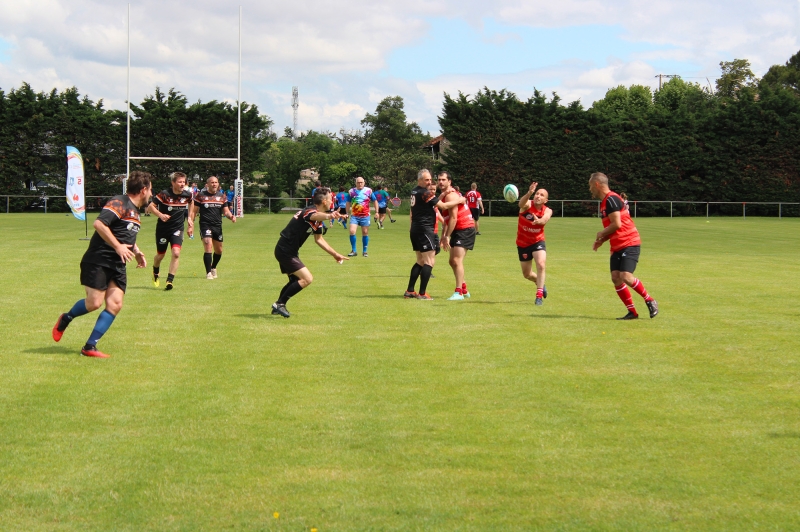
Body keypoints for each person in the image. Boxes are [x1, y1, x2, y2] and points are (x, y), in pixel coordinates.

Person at [52, 171, 153, 358]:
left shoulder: (135, 212)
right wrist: (117, 247)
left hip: (118, 263)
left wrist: (137, 251)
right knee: (94, 303)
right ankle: (66, 318)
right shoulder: (119, 202)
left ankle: (89, 347)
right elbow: (99, 224)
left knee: (115, 304)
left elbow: (125, 234)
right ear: (143, 189)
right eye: (151, 190)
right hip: (99, 259)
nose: (151, 195)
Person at [589, 172, 658, 320]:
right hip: (617, 245)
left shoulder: (611, 199)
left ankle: (650, 300)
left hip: (629, 242)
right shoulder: (605, 202)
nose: (590, 190)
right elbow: (613, 227)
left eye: (590, 186)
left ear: (597, 184)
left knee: (625, 276)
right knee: (616, 277)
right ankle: (632, 312)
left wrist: (600, 233)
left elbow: (617, 224)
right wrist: (603, 239)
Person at [272, 187, 349, 318]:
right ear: (324, 201)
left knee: (295, 280)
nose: (332, 202)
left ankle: (278, 306)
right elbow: (313, 215)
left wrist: (335, 254)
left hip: (289, 251)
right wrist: (329, 215)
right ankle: (279, 304)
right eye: (330, 199)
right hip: (285, 250)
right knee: (307, 279)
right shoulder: (310, 211)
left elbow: (319, 239)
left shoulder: (318, 219)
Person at [405, 169, 466, 300]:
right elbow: (443, 206)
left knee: (420, 261)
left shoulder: (415, 191)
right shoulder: (425, 192)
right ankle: (422, 294)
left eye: (430, 180)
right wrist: (459, 200)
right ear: (419, 180)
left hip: (415, 230)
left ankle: (410, 290)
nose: (430, 182)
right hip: (424, 230)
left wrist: (443, 193)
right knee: (429, 261)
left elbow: (432, 202)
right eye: (426, 180)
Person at [148, 171, 194, 290]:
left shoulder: (187, 195)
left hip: (177, 229)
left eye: (183, 182)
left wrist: (189, 218)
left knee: (176, 253)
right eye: (179, 182)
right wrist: (160, 215)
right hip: (163, 229)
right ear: (173, 183)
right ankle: (155, 272)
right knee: (160, 255)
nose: (182, 184)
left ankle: (170, 280)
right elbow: (150, 207)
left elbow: (191, 203)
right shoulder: (164, 194)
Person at [437, 171, 477, 301]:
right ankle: (464, 289)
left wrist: (447, 236)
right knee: (452, 261)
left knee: (457, 260)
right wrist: (444, 235)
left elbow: (454, 218)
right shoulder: (444, 196)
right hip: (457, 229)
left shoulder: (451, 196)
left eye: (443, 180)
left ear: (449, 181)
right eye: (439, 180)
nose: (441, 182)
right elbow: (447, 219)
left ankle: (458, 292)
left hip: (465, 228)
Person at [189, 175, 236, 279]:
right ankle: (208, 272)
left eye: (216, 182)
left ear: (218, 184)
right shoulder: (200, 196)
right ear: (207, 184)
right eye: (212, 182)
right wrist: (190, 225)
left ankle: (213, 267)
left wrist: (231, 216)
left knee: (219, 250)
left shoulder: (222, 196)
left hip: (217, 226)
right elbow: (194, 211)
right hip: (205, 225)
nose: (214, 184)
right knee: (208, 245)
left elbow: (226, 211)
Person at [517, 182, 552, 305]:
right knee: (527, 274)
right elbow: (520, 204)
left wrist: (539, 221)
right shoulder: (527, 205)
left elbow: (545, 218)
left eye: (541, 195)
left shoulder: (547, 210)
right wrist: (529, 193)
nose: (538, 196)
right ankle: (540, 283)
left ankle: (538, 296)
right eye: (537, 193)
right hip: (523, 243)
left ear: (545, 200)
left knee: (541, 264)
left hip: (538, 241)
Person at [346, 176, 378, 257]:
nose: (360, 184)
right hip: (354, 215)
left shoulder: (369, 191)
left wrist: (377, 212)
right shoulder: (351, 191)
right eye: (358, 182)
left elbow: (375, 201)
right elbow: (348, 202)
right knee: (352, 231)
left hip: (365, 215)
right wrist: (347, 212)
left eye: (361, 182)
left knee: (365, 233)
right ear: (355, 183)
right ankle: (354, 250)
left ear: (364, 183)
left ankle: (365, 251)